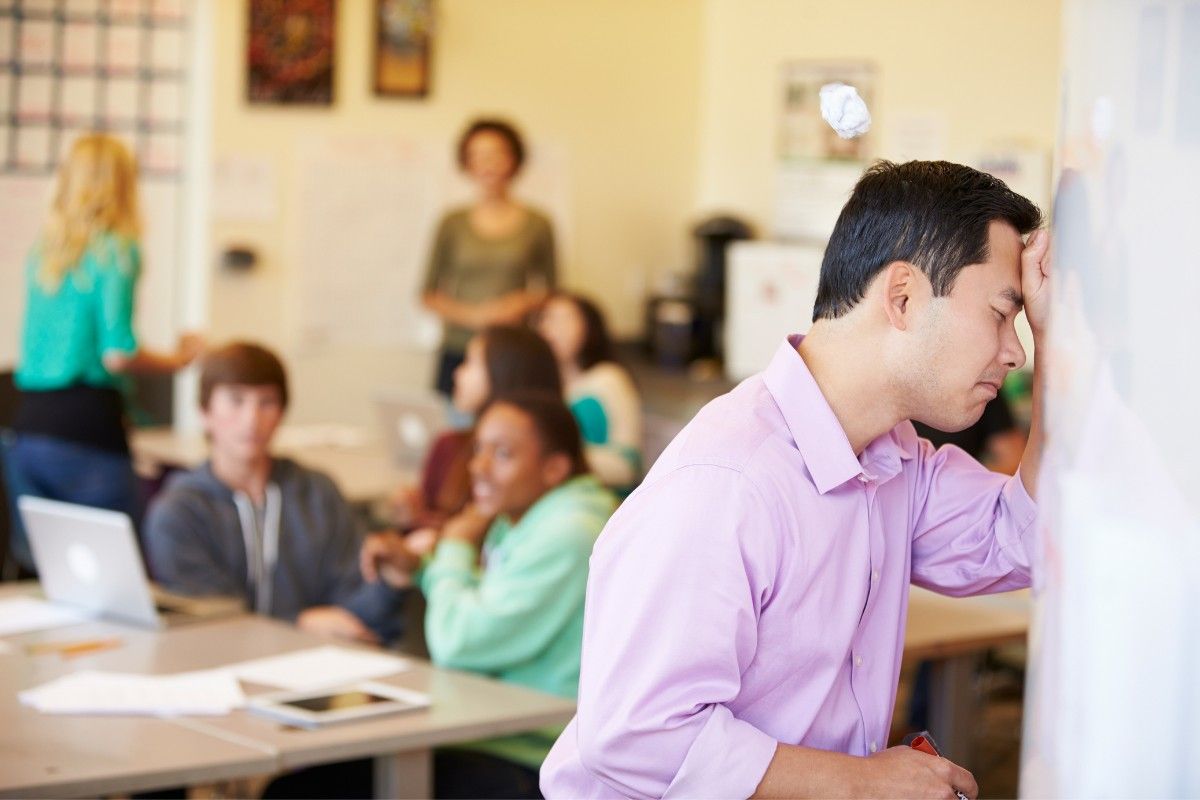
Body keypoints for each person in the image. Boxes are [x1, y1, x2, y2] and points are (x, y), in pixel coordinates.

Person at [540, 160, 1051, 799]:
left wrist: (1062, 348)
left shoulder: (892, 459)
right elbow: (636, 733)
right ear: (903, 298)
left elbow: (1025, 538)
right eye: (1004, 315)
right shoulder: (730, 481)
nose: (1015, 351)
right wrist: (865, 784)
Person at [363, 391, 617, 799]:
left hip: (535, 757)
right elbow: (495, 606)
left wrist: (454, 546)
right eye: (478, 448)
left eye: (502, 454)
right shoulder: (529, 515)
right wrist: (424, 571)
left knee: (309, 788)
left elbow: (456, 642)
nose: (477, 467)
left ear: (554, 468)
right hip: (498, 733)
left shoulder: (567, 532)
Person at [4, 134, 202, 572]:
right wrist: (179, 360)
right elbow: (118, 353)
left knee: (48, 572)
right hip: (86, 430)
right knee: (112, 572)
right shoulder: (117, 248)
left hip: (27, 430)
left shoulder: (46, 252)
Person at [143, 342, 405, 644]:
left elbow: (355, 609)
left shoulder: (317, 494)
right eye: (236, 400)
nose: (252, 419)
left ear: (281, 412)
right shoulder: (179, 511)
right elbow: (212, 619)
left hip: (318, 666)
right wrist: (299, 623)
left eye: (266, 402)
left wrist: (389, 582)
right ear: (205, 412)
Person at [422, 118, 557, 396]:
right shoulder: (452, 223)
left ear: (514, 160)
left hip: (514, 351)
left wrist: (519, 303)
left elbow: (553, 292)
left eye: (496, 154)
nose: (488, 164)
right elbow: (428, 294)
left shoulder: (538, 224)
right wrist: (476, 316)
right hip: (459, 349)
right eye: (478, 156)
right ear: (466, 163)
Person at [390, 324, 562, 531]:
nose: (457, 373)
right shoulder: (449, 443)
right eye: (480, 449)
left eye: (470, 363)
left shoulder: (535, 481)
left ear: (503, 373)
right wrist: (413, 514)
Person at [535, 292, 643, 492]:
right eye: (547, 319)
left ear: (589, 327)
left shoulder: (611, 379)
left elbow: (628, 466)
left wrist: (556, 461)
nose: (552, 329)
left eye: (565, 319)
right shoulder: (541, 387)